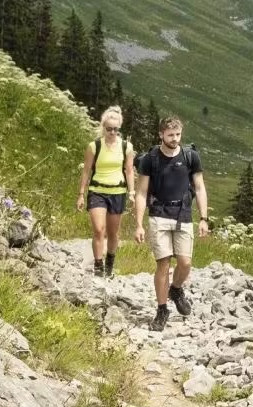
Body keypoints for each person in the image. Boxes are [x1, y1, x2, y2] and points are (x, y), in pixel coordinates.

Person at [133, 114, 209, 330]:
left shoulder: (190, 157)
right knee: (163, 264)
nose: (175, 139)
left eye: (178, 134)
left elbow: (200, 188)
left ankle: (176, 288)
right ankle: (162, 309)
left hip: (183, 214)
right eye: (170, 135)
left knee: (185, 263)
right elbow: (141, 192)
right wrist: (139, 224)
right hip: (158, 213)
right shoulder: (150, 159)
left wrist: (204, 218)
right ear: (161, 135)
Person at [75, 105, 135, 277]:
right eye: (109, 129)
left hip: (117, 192)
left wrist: (131, 192)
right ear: (103, 127)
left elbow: (129, 170)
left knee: (113, 233)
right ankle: (98, 266)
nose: (112, 132)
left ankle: (110, 262)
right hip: (97, 191)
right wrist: (81, 194)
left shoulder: (126, 147)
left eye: (116, 129)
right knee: (99, 229)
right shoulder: (94, 146)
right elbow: (86, 170)